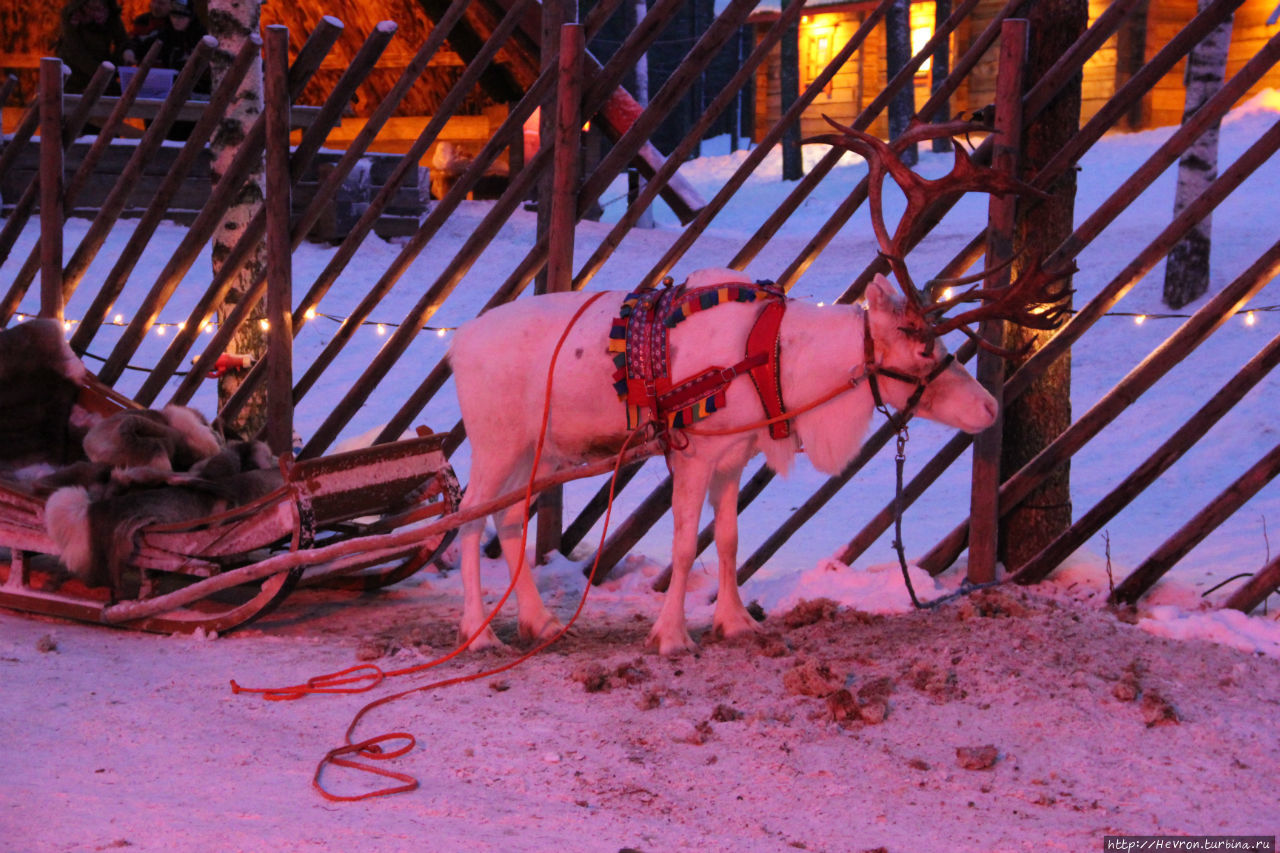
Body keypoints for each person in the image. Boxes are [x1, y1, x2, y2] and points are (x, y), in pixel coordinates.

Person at [57, 0, 128, 93]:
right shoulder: (72, 14)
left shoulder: (111, 12)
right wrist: (103, 75)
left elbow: (122, 40)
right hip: (75, 76)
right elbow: (75, 52)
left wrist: (126, 52)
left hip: (103, 68)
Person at [122, 0, 173, 64]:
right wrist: (129, 50)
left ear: (172, 5)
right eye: (153, 1)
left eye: (161, 3)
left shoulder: (175, 24)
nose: (155, 6)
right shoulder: (142, 20)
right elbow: (134, 40)